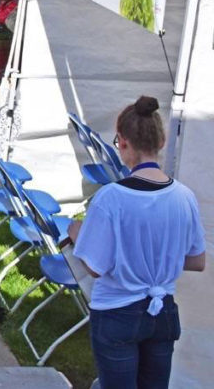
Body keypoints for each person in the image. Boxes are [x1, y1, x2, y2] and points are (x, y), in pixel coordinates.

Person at [69, 97, 205, 389]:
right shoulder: (184, 196)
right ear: (163, 140)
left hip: (117, 310)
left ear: (122, 142)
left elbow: (94, 266)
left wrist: (76, 233)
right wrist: (159, 256)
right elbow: (197, 260)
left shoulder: (111, 198)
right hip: (163, 311)